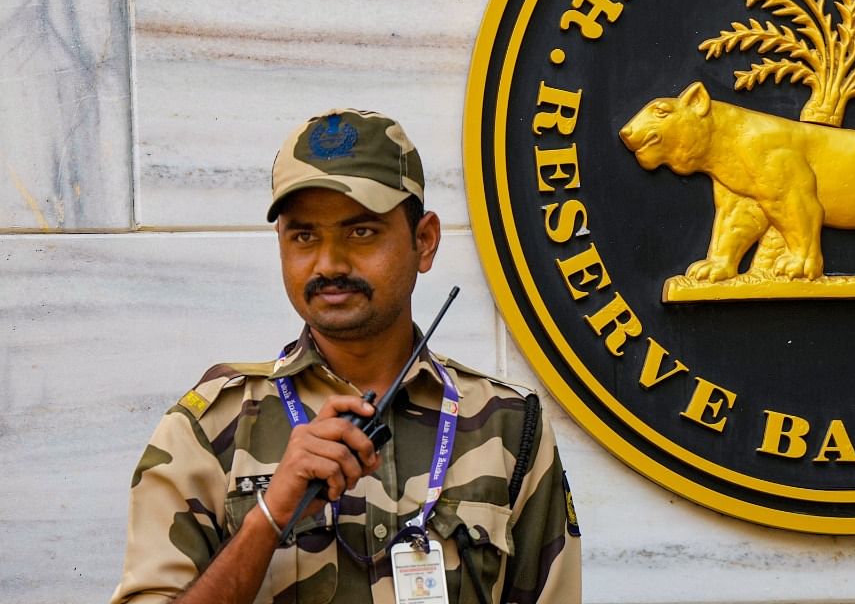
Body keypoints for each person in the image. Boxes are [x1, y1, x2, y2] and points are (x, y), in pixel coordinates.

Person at [111, 109, 581, 604]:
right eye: (304, 236)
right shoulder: (210, 428)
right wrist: (270, 515)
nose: (329, 263)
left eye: (361, 232)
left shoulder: (507, 425)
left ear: (424, 241)